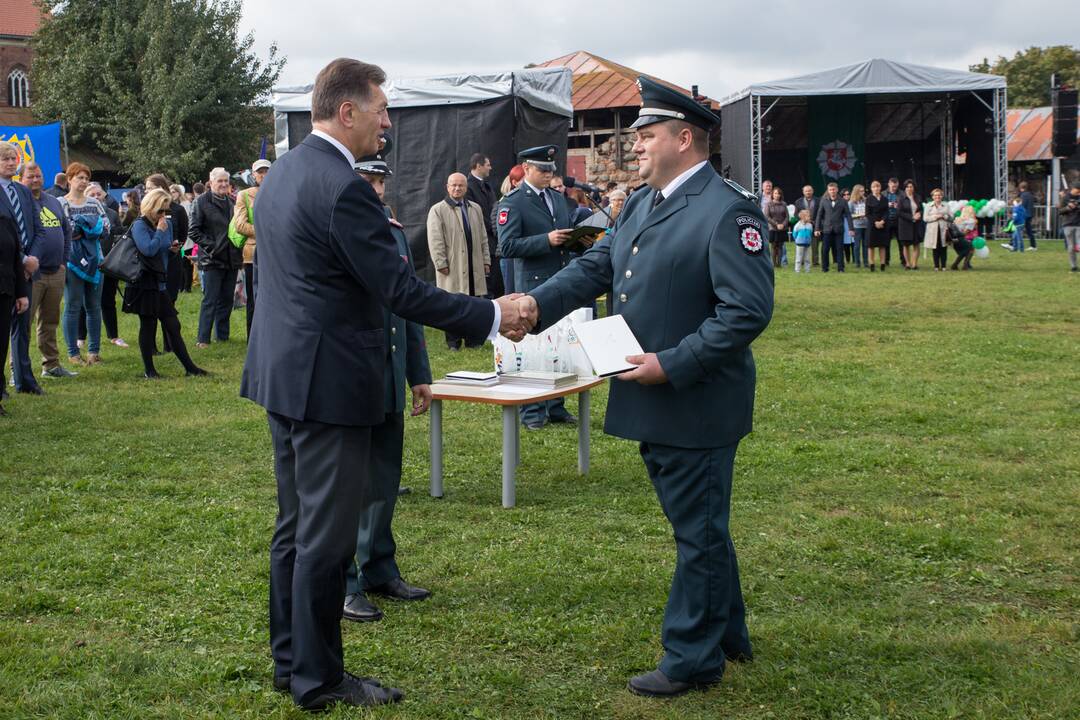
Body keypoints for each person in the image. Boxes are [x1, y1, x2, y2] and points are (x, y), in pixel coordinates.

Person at [238, 57, 529, 712]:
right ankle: (319, 678)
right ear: (347, 112)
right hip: (328, 385)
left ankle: (291, 661)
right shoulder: (342, 187)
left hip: (284, 377)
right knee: (324, 538)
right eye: (381, 109)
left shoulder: (284, 172)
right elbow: (399, 289)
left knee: (294, 528)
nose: (388, 121)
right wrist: (491, 313)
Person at [512, 76, 773, 698]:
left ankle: (692, 658)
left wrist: (672, 364)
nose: (637, 147)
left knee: (698, 529)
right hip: (654, 392)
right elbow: (597, 265)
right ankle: (727, 633)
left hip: (694, 398)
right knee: (700, 520)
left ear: (685, 139)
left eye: (648, 135)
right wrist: (530, 304)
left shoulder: (726, 208)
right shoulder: (642, 203)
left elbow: (746, 312)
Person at [342, 143, 434, 625]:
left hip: (389, 372)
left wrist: (419, 374)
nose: (377, 191)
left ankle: (378, 568)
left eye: (380, 183)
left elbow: (409, 304)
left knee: (383, 477)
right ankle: (344, 583)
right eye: (368, 182)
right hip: (351, 374)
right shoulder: (344, 229)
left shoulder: (394, 233)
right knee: (347, 486)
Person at [497, 144, 577, 430]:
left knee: (559, 350)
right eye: (542, 169)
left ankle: (555, 406)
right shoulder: (514, 202)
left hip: (560, 279)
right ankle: (531, 412)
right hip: (532, 286)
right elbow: (506, 246)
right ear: (527, 169)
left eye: (550, 170)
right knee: (532, 352)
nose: (547, 174)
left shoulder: (557, 198)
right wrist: (546, 240)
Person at [121, 189, 206, 379]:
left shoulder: (166, 223)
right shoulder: (139, 226)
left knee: (173, 325)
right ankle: (149, 371)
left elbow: (163, 250)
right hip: (144, 283)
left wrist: (173, 249)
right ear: (150, 207)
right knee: (148, 325)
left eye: (166, 211)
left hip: (160, 282)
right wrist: (160, 232)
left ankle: (190, 367)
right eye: (160, 211)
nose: (163, 215)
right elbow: (149, 250)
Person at [17, 162, 75, 380]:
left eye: (39, 176)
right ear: (20, 179)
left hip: (56, 271)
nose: (35, 180)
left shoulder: (53, 201)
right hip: (30, 274)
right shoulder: (18, 202)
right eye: (30, 176)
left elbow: (66, 231)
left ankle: (51, 365)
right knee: (23, 324)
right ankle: (18, 371)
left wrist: (63, 261)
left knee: (50, 321)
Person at [426, 172, 490, 350]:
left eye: (460, 185)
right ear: (447, 187)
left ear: (466, 187)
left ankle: (473, 340)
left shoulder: (475, 208)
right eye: (453, 185)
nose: (457, 188)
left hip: (474, 265)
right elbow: (435, 240)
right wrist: (441, 263)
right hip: (452, 267)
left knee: (475, 304)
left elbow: (483, 236)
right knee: (452, 304)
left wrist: (486, 260)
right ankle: (453, 342)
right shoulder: (438, 210)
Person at [1, 143, 43, 396]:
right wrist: (22, 259)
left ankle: (25, 380)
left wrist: (32, 258)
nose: (10, 163)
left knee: (22, 327)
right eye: (4, 159)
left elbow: (37, 228)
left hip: (27, 268)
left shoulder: (23, 191)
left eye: (13, 158)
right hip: (6, 266)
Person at [59, 162, 110, 365]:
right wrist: (88, 226)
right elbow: (66, 231)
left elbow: (105, 227)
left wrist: (82, 226)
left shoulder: (95, 203)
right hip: (71, 262)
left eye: (86, 178)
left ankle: (93, 352)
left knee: (94, 307)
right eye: (79, 177)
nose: (83, 181)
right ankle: (73, 353)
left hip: (96, 260)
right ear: (69, 179)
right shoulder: (60, 203)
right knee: (72, 306)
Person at [190, 167, 242, 347]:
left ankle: (223, 336)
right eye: (219, 181)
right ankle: (203, 339)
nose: (223, 184)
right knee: (210, 300)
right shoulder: (201, 202)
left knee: (227, 299)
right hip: (211, 259)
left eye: (225, 181)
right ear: (211, 183)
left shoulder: (232, 201)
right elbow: (194, 231)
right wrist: (212, 247)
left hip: (231, 258)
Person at [82, 182, 129, 349]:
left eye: (99, 194)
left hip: (108, 261)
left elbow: (117, 232)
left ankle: (114, 335)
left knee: (108, 300)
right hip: (87, 261)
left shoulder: (110, 212)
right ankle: (80, 337)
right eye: (92, 195)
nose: (96, 197)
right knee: (84, 300)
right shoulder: (82, 212)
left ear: (104, 195)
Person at [233, 159, 269, 339]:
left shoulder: (278, 192)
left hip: (275, 253)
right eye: (260, 172)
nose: (263, 175)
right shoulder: (245, 195)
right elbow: (240, 224)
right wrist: (265, 232)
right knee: (254, 300)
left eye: (266, 171)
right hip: (252, 254)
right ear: (253, 174)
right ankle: (253, 339)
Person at [0, 211, 30, 416]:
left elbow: (16, 260)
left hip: (4, 292)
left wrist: (21, 293)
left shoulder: (6, 222)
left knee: (0, 345)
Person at [465, 153, 504, 298]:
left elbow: (494, 210)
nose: (490, 168)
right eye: (488, 165)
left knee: (495, 281)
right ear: (478, 166)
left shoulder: (487, 186)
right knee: (487, 284)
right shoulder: (469, 188)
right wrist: (494, 227)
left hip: (494, 241)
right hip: (483, 241)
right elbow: (475, 214)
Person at [814, 182, 853, 272]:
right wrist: (817, 228)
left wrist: (851, 228)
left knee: (840, 249)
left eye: (834, 189)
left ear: (837, 190)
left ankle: (841, 268)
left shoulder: (843, 201)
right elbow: (819, 215)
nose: (832, 191)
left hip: (838, 229)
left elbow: (848, 215)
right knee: (825, 249)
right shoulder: (823, 200)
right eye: (830, 190)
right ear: (828, 190)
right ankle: (824, 268)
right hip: (827, 229)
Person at [923, 188, 952, 271]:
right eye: (935, 195)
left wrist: (944, 216)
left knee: (943, 248)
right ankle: (936, 266)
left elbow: (951, 217)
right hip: (933, 231)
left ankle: (943, 266)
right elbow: (925, 218)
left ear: (942, 196)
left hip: (944, 230)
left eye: (939, 195)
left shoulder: (946, 205)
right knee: (935, 248)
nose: (937, 197)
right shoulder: (928, 206)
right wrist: (935, 217)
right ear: (932, 197)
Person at [865, 180, 889, 271]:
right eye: (874, 187)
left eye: (877, 186)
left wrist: (882, 221)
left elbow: (886, 212)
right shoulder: (869, 199)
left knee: (882, 245)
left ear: (880, 188)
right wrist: (875, 222)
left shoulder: (885, 199)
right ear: (871, 189)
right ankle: (872, 264)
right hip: (872, 225)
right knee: (871, 245)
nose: (876, 188)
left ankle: (883, 264)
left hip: (883, 224)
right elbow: (868, 213)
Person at [897, 180, 922, 270]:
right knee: (906, 245)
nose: (909, 188)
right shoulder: (900, 198)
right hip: (905, 225)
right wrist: (912, 217)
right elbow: (899, 212)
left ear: (914, 188)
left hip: (916, 225)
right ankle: (907, 264)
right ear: (905, 188)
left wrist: (919, 214)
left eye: (911, 186)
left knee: (916, 244)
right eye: (907, 187)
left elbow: (921, 209)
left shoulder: (918, 197)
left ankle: (914, 264)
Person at [793, 185, 819, 265]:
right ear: (803, 192)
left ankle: (815, 261)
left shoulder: (818, 200)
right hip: (803, 226)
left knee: (815, 245)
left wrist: (815, 223)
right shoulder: (798, 201)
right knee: (803, 244)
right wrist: (803, 220)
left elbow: (820, 214)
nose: (808, 192)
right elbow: (796, 214)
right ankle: (802, 261)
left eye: (809, 190)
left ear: (812, 191)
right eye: (806, 191)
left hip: (814, 226)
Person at [764, 186, 788, 268]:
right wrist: (776, 224)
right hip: (773, 228)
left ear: (781, 195)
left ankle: (779, 263)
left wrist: (783, 224)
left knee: (781, 246)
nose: (777, 195)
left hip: (782, 228)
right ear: (772, 194)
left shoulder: (784, 204)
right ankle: (773, 264)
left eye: (778, 193)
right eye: (775, 193)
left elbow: (787, 217)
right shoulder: (768, 204)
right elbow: (767, 217)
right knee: (774, 246)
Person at [1060, 182, 1080, 272]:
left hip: (1079, 224)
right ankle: (1073, 266)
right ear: (1074, 188)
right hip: (1068, 224)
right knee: (1071, 247)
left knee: (1079, 245)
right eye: (1078, 190)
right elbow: (1060, 211)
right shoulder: (1065, 197)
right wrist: (1068, 207)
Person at [885, 177, 903, 267]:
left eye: (895, 186)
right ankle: (886, 261)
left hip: (898, 220)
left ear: (898, 185)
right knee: (886, 242)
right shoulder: (883, 194)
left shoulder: (902, 194)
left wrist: (898, 206)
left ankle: (903, 261)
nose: (894, 188)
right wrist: (886, 205)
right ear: (889, 184)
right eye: (892, 186)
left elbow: (905, 206)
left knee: (901, 242)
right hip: (887, 220)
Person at [952, 204, 976, 270]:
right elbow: (965, 232)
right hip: (960, 238)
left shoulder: (957, 219)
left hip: (954, 239)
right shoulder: (971, 221)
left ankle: (955, 265)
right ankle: (965, 265)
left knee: (963, 252)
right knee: (971, 249)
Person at [849, 184, 867, 268]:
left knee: (866, 244)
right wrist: (858, 216)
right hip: (857, 226)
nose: (863, 192)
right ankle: (857, 263)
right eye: (861, 191)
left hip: (866, 226)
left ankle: (866, 262)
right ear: (856, 192)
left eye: (863, 191)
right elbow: (849, 215)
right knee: (856, 245)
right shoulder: (851, 202)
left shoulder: (866, 200)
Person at [792, 208, 813, 272]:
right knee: (799, 257)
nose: (809, 218)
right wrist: (797, 240)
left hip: (808, 243)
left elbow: (811, 233)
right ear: (803, 217)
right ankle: (797, 270)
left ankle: (807, 270)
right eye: (808, 216)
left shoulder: (810, 225)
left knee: (807, 257)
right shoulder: (797, 225)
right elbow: (794, 234)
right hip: (799, 243)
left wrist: (809, 239)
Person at [1018, 181, 1036, 251]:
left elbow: (1022, 205)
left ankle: (1012, 244)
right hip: (1029, 215)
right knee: (1029, 231)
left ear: (1021, 187)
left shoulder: (1023, 195)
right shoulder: (1030, 195)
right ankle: (1033, 246)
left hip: (1024, 215)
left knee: (1017, 229)